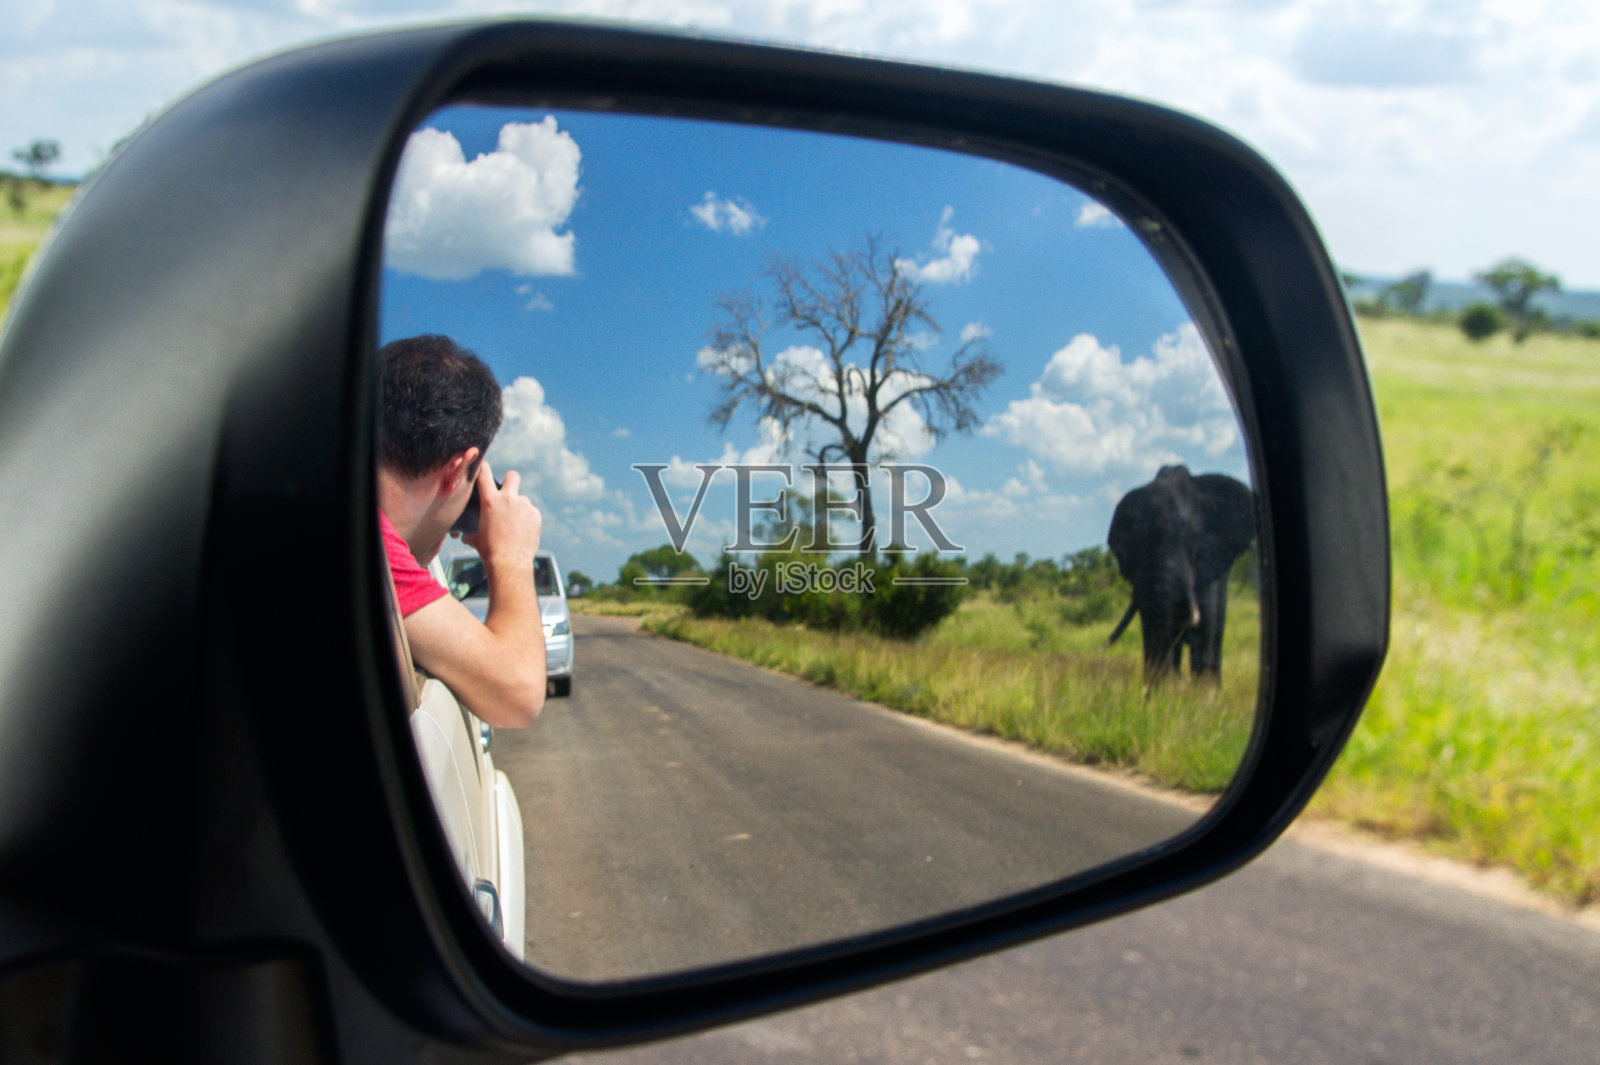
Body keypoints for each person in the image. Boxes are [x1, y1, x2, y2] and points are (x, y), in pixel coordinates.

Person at [375, 334, 546, 728]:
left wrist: (425, 538)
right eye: (476, 474)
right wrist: (511, 555)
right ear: (457, 469)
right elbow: (517, 695)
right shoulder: (374, 546)